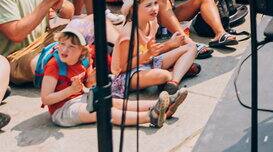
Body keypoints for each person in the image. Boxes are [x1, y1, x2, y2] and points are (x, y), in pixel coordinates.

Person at [40, 20, 185, 128]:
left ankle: (164, 106)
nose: (64, 50)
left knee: (115, 102)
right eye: (62, 44)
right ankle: (150, 116)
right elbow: (46, 99)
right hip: (63, 109)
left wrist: (92, 80)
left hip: (80, 97)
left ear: (82, 51)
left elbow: (89, 83)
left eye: (71, 46)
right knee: (104, 112)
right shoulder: (53, 66)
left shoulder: (84, 61)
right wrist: (70, 90)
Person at [110, 0, 197, 99]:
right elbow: (123, 67)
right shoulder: (128, 35)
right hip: (129, 75)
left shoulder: (152, 22)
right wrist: (148, 54)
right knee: (164, 75)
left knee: (191, 47)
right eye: (148, 5)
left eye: (155, 3)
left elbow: (153, 51)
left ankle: (173, 82)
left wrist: (170, 45)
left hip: (148, 63)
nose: (154, 8)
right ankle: (177, 72)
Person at [0, 0, 74, 88]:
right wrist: (48, 1)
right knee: (51, 62)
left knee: (89, 23)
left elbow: (70, 12)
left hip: (46, 40)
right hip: (17, 56)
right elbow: (16, 34)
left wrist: (59, 4)